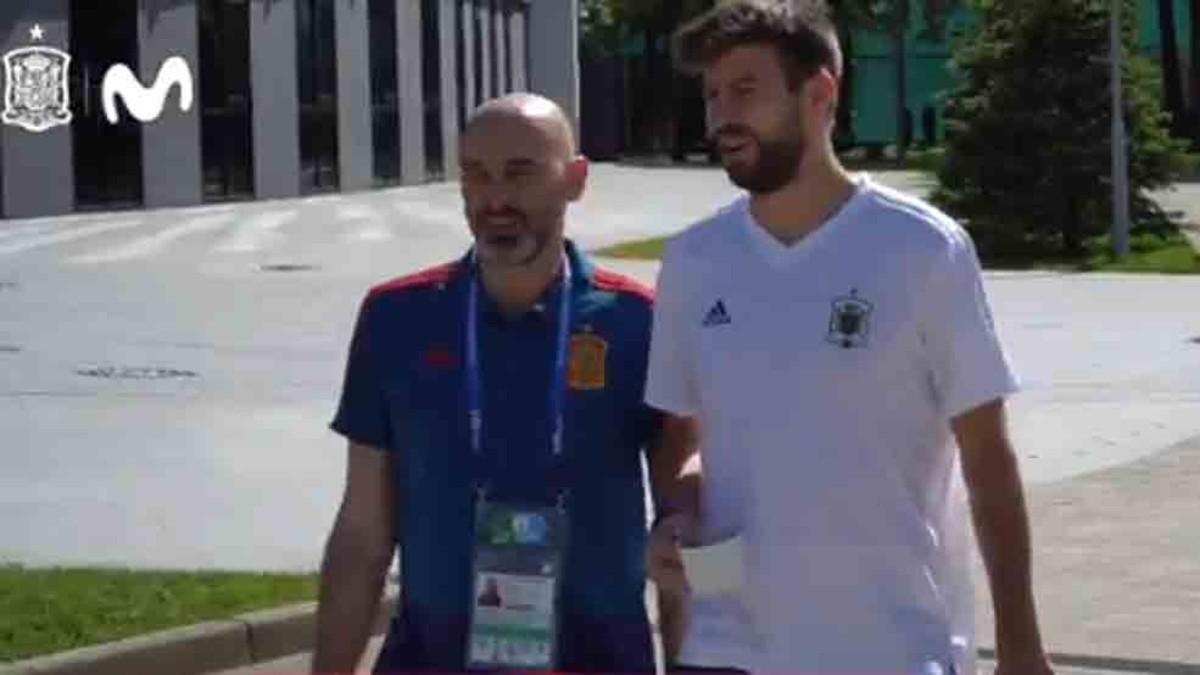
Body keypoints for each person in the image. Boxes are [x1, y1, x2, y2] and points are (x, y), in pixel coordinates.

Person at [644, 2, 1055, 674]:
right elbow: (688, 446)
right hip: (729, 649)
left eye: (745, 90)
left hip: (889, 647)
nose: (721, 117)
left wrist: (1019, 643)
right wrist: (676, 518)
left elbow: (988, 459)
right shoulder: (694, 260)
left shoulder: (922, 249)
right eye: (712, 95)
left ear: (820, 94)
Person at [313, 93, 672, 674]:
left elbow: (685, 514)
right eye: (476, 175)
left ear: (576, 180)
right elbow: (362, 530)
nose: (496, 198)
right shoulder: (396, 317)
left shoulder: (641, 321)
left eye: (521, 173)